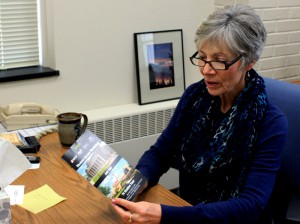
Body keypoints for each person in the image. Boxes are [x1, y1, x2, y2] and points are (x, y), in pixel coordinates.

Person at [112, 4, 288, 224]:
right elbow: (161, 152)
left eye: (219, 61)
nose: (206, 69)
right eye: (203, 57)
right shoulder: (195, 97)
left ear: (249, 62)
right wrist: (139, 179)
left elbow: (250, 205)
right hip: (189, 209)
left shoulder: (270, 122)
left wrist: (165, 215)